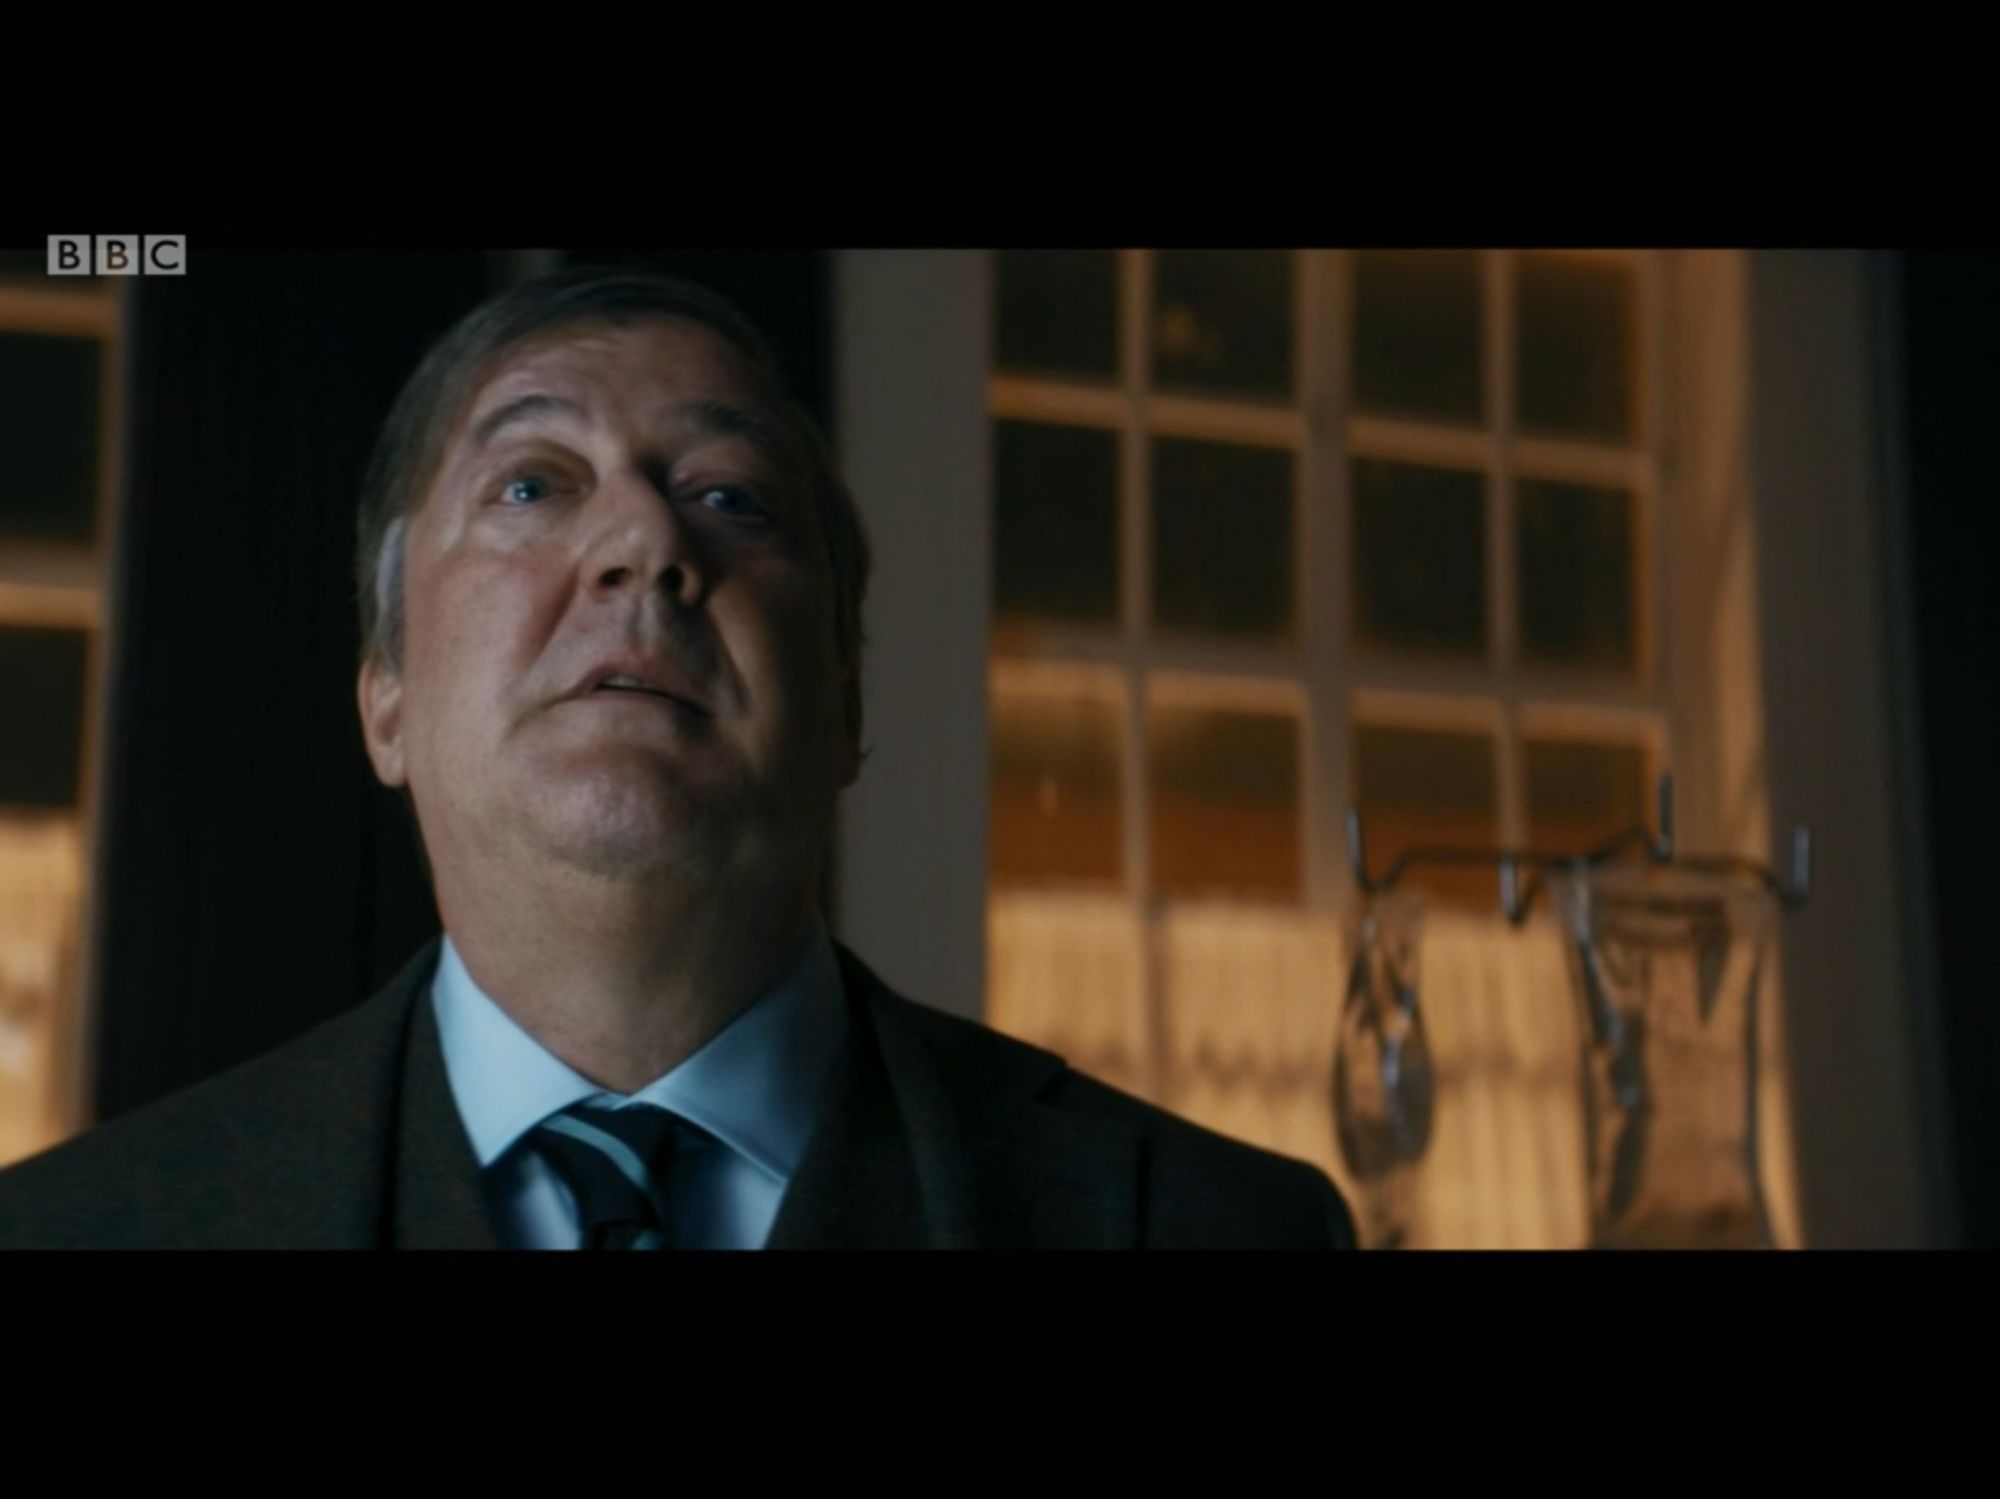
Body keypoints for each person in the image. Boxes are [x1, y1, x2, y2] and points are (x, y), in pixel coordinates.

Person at [0, 268, 1358, 1250]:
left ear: (844, 703)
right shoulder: (73, 1232)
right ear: (387, 699)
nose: (647, 542)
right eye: (532, 484)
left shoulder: (1218, 1228)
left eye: (729, 497)